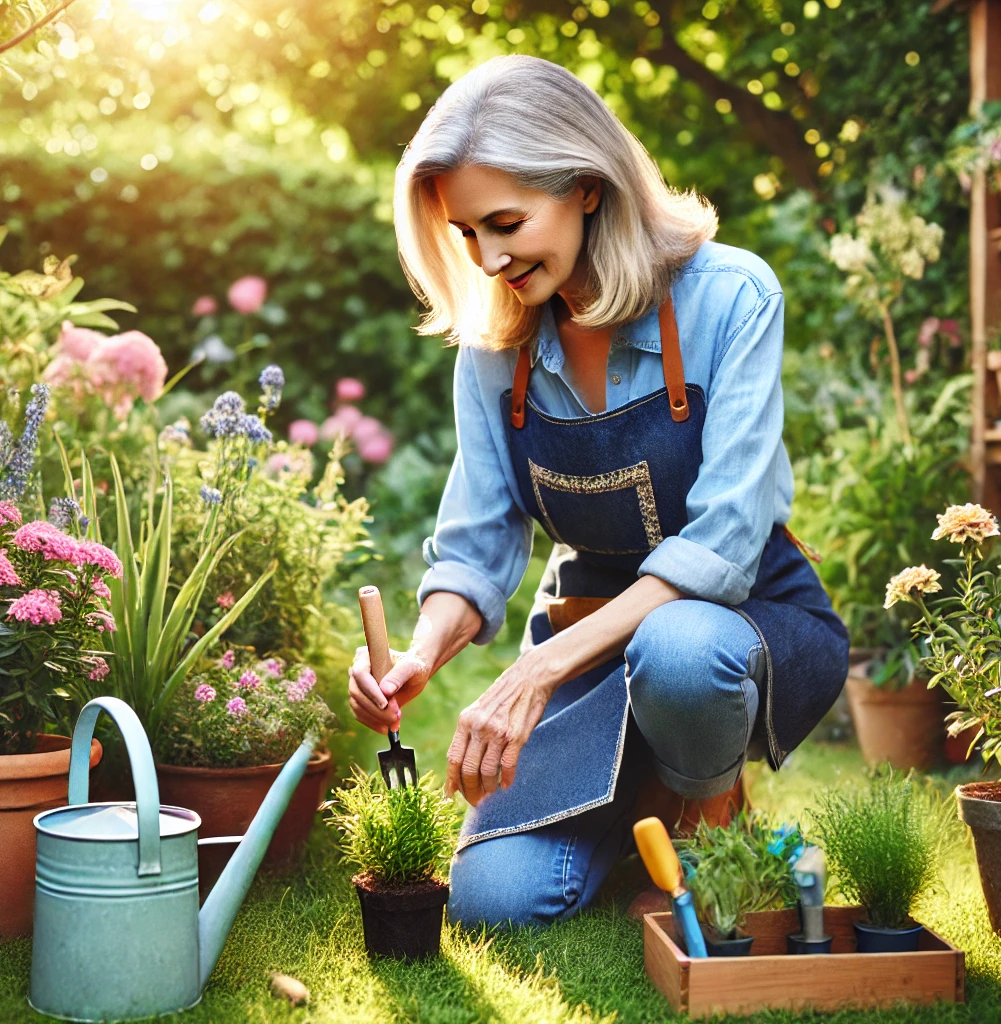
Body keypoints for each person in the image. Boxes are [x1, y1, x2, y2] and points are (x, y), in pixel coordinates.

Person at [348, 54, 848, 928]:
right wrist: (422, 652)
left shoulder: (731, 296)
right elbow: (476, 545)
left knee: (681, 652)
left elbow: (729, 541)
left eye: (506, 221)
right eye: (468, 234)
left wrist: (536, 671)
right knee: (495, 901)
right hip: (585, 631)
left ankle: (706, 809)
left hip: (734, 625)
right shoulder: (492, 350)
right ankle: (638, 794)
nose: (491, 257)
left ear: (585, 186)